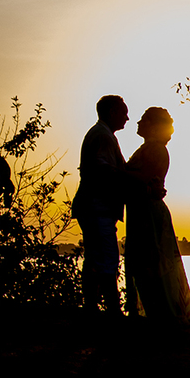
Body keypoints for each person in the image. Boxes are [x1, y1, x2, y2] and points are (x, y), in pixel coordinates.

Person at [123, 107, 190, 326]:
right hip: (142, 209)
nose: (137, 123)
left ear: (154, 126)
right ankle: (155, 311)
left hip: (149, 211)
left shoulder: (155, 149)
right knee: (146, 261)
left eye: (143, 120)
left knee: (154, 261)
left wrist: (116, 171)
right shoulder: (149, 148)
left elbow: (144, 178)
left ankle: (163, 312)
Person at [72, 95, 133, 315]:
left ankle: (92, 309)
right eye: (124, 112)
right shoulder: (102, 136)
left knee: (95, 259)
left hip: (94, 207)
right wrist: (134, 180)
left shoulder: (102, 134)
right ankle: (112, 311)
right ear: (112, 112)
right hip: (97, 207)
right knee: (107, 260)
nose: (127, 118)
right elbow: (105, 170)